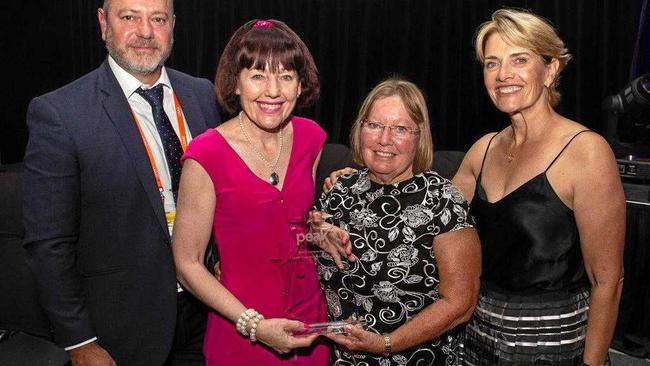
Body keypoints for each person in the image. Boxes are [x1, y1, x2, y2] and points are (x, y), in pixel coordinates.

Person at [22, 0, 221, 364]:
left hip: (208, 313)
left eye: (157, 19)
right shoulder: (61, 114)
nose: (145, 32)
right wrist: (80, 341)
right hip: (123, 329)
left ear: (172, 25)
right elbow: (49, 243)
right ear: (103, 22)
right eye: (129, 17)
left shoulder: (202, 95)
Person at [172, 19, 351, 366]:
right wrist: (253, 325)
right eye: (257, 75)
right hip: (242, 333)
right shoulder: (205, 154)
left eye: (286, 76)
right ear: (235, 84)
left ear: (300, 86)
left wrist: (320, 233)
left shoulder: (311, 138)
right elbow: (187, 264)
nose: (273, 91)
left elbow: (290, 222)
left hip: (310, 328)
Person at [452, 9, 625, 365]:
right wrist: (363, 181)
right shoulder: (482, 150)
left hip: (554, 345)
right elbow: (429, 221)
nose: (503, 75)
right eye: (491, 63)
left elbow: (608, 280)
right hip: (476, 338)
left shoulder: (586, 152)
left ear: (551, 69)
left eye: (519, 60)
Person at [311, 78, 481, 365]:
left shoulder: (444, 201)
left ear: (419, 137)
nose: (384, 139)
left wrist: (386, 344)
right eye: (374, 125)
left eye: (400, 129)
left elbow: (460, 304)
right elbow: (302, 254)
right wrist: (313, 231)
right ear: (360, 129)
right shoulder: (340, 190)